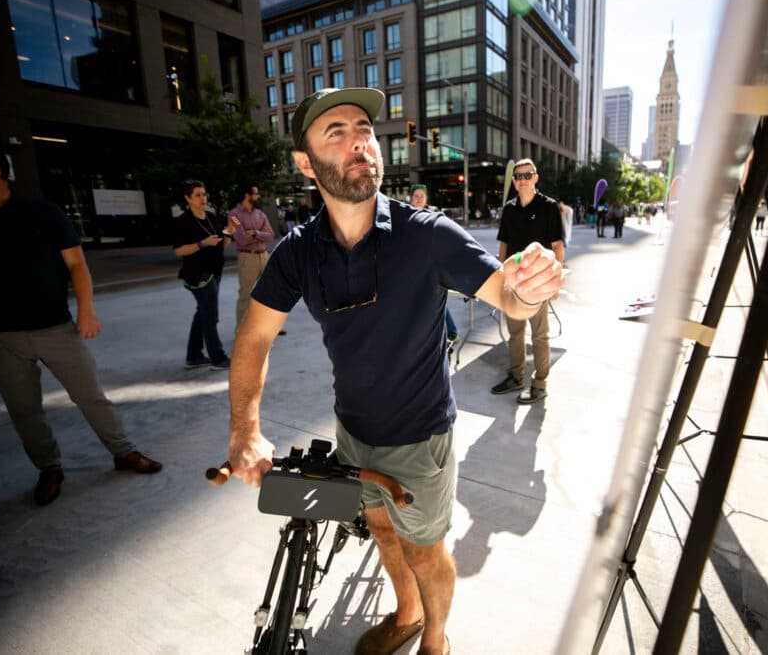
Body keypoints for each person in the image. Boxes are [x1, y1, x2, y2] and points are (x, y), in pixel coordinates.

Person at [226, 88, 563, 655]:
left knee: (427, 551)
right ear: (304, 164)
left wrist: (530, 289)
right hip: (353, 434)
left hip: (420, 439)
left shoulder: (426, 234)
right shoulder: (297, 252)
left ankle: (435, 641)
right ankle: (407, 615)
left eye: (364, 127)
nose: (360, 138)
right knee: (380, 530)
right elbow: (254, 338)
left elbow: (509, 297)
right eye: (336, 131)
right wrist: (245, 430)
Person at [0, 144, 161, 506]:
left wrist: (86, 312)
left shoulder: (43, 212)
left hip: (56, 328)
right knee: (23, 409)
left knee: (90, 396)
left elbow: (77, 265)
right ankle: (49, 468)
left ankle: (124, 452)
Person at [491, 158, 565, 405]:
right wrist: (501, 278)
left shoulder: (549, 207)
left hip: (538, 283)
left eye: (527, 175)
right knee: (515, 334)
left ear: (536, 178)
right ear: (513, 181)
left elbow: (557, 246)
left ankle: (540, 383)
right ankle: (515, 376)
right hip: (513, 283)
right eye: (518, 176)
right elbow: (503, 245)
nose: (522, 180)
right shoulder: (509, 210)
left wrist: (556, 280)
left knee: (540, 336)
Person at [173, 179, 237, 370]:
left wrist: (229, 233)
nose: (203, 198)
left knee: (202, 313)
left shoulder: (210, 216)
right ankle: (217, 358)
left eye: (204, 194)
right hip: (199, 275)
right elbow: (179, 251)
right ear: (188, 198)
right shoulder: (183, 222)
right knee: (210, 316)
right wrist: (202, 244)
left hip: (215, 272)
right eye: (198, 195)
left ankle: (193, 356)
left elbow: (221, 244)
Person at [410, 183, 458, 343]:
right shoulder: (405, 218)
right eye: (415, 196)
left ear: (426, 199)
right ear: (411, 198)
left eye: (421, 196)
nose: (418, 199)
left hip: (432, 268)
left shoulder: (433, 217)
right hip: (413, 268)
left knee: (435, 300)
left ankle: (451, 332)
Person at [229, 182, 275, 331]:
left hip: (264, 256)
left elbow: (271, 235)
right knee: (246, 295)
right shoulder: (233, 215)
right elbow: (241, 238)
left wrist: (255, 232)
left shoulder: (260, 214)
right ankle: (242, 329)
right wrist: (259, 233)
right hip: (247, 258)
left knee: (268, 292)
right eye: (255, 193)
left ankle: (265, 326)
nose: (258, 196)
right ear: (247, 195)